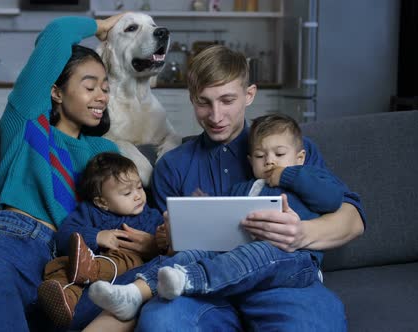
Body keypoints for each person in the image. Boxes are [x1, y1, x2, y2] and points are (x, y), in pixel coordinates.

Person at [130, 45, 366, 331]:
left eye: (227, 100)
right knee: (160, 322)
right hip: (204, 288)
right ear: (191, 100)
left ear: (249, 95)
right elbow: (165, 248)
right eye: (204, 102)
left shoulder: (289, 150)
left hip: (283, 282)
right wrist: (166, 237)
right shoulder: (172, 166)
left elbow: (353, 220)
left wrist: (302, 233)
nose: (216, 116)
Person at [0, 13, 145, 331]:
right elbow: (56, 33)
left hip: (73, 265)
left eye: (105, 88)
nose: (102, 96)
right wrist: (104, 26)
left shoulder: (105, 154)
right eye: (90, 86)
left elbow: (125, 213)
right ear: (56, 92)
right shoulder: (28, 124)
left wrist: (145, 241)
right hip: (14, 242)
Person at [87, 113, 351, 320]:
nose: (270, 161)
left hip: (294, 259)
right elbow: (228, 219)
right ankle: (134, 293)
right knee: (191, 255)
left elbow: (331, 199)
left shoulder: (310, 176)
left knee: (259, 252)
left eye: (280, 155)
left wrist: (288, 174)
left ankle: (190, 280)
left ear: (301, 156)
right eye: (261, 156)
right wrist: (204, 209)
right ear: (250, 160)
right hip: (241, 253)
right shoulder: (246, 188)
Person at [36, 152, 163, 328]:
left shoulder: (151, 216)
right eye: (127, 193)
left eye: (140, 187)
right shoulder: (89, 212)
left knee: (130, 258)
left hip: (122, 273)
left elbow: (165, 247)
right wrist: (96, 236)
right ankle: (65, 299)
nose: (137, 196)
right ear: (102, 202)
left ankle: (93, 269)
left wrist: (156, 242)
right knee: (58, 266)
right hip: (83, 270)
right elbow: (63, 236)